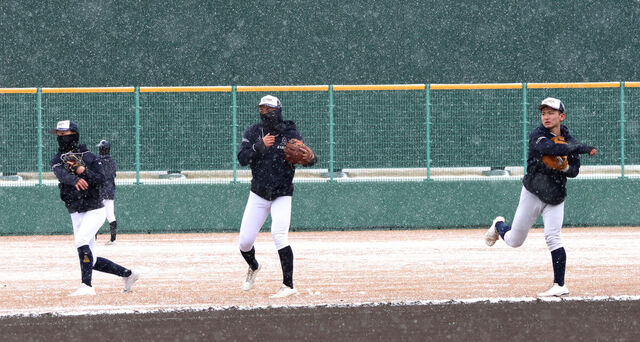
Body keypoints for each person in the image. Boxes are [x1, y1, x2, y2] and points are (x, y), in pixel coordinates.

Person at [484, 97, 597, 297]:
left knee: (553, 237)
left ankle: (560, 285)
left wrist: (567, 166)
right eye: (543, 113)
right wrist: (581, 148)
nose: (546, 116)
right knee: (514, 241)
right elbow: (549, 149)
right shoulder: (538, 135)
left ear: (561, 116)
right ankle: (499, 225)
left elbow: (574, 171)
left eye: (551, 113)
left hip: (555, 197)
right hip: (533, 194)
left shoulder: (570, 141)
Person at [237, 95, 317, 298]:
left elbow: (307, 158)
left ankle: (288, 285)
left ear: (278, 110)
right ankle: (254, 266)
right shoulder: (255, 132)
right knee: (245, 242)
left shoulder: (289, 132)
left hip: (282, 192)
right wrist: (258, 146)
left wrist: (311, 159)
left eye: (269, 109)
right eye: (262, 109)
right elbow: (242, 159)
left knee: (279, 234)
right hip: (259, 193)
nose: (265, 113)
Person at [50, 120, 139, 296]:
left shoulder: (89, 156)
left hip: (94, 209)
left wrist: (84, 171)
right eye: (58, 135)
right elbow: (61, 174)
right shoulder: (56, 159)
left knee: (81, 241)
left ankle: (87, 286)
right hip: (75, 211)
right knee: (91, 259)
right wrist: (74, 179)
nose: (60, 138)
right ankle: (128, 274)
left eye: (64, 134)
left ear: (74, 135)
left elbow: (100, 179)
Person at [96, 140, 118, 245]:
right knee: (110, 215)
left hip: (99, 191)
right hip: (109, 191)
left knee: (95, 214)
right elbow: (113, 175)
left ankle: (93, 238)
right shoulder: (112, 161)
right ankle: (113, 239)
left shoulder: (97, 161)